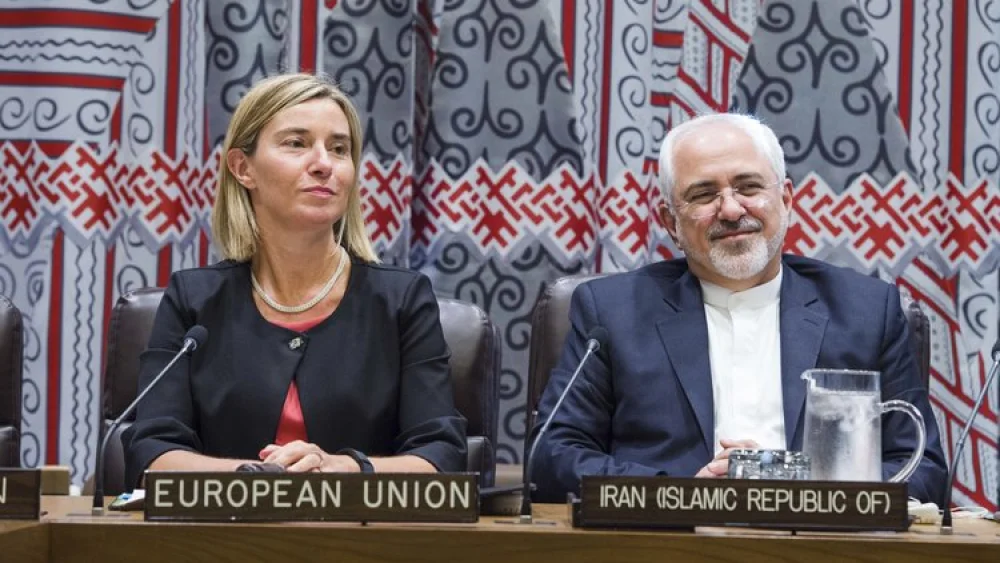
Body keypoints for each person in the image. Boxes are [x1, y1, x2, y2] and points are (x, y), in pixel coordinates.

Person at [529, 113, 947, 503]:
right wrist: (682, 498)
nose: (730, 209)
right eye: (704, 194)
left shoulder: (866, 312)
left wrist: (794, 485)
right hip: (664, 545)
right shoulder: (614, 313)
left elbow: (923, 470)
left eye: (749, 187)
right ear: (671, 222)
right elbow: (553, 454)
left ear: (785, 199)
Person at [123, 73, 466, 487]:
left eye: (339, 149)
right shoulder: (194, 301)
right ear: (243, 168)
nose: (324, 163)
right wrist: (260, 479)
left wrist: (343, 467)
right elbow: (151, 453)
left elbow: (441, 457)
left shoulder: (401, 301)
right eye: (297, 143)